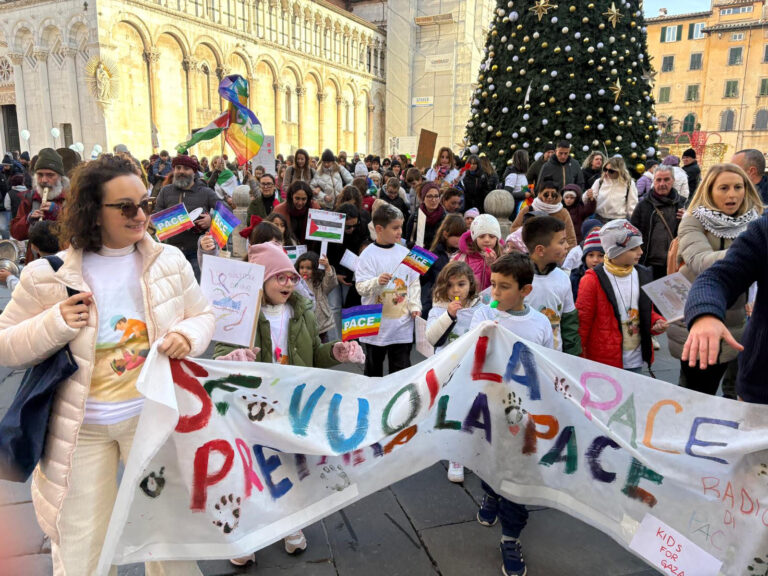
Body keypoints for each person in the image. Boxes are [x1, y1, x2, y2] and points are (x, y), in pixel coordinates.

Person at [0, 154, 214, 576]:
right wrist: (55, 323)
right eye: (127, 207)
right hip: (80, 431)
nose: (141, 216)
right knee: (83, 550)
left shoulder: (168, 261)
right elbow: (6, 346)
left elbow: (203, 315)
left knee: (168, 541)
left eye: (146, 204)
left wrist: (187, 337)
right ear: (92, 211)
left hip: (153, 419)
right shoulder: (46, 275)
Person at [213, 242, 363, 566]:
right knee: (250, 471)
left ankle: (290, 527)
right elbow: (219, 355)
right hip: (252, 408)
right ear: (261, 280)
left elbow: (313, 358)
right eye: (279, 277)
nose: (288, 283)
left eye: (291, 277)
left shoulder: (302, 312)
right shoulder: (242, 312)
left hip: (292, 406)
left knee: (292, 469)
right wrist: (233, 357)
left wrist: (335, 352)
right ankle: (244, 535)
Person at [469, 252, 553, 576]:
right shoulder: (483, 315)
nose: (495, 293)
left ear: (525, 291)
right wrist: (483, 335)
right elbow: (468, 358)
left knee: (518, 476)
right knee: (490, 463)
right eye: (492, 285)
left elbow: (548, 367)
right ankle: (490, 493)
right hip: (489, 411)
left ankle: (510, 537)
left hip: (524, 417)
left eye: (504, 287)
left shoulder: (540, 323)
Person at [667, 163, 762, 395]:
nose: (732, 194)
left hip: (737, 321)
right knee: (695, 391)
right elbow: (700, 260)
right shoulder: (692, 221)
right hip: (697, 320)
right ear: (709, 191)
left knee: (735, 393)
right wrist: (754, 250)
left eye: (738, 187)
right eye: (724, 188)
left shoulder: (755, 223)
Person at [682, 215, 768, 403]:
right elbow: (716, 277)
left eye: (738, 187)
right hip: (761, 386)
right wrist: (705, 313)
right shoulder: (763, 230)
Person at [577, 219, 667, 372]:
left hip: (636, 359)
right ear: (615, 251)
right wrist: (579, 360)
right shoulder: (592, 280)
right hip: (604, 363)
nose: (641, 252)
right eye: (634, 248)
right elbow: (582, 323)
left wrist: (657, 321)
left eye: (640, 247)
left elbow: (645, 311)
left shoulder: (642, 274)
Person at [426, 261, 482, 483]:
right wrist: (448, 316)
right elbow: (432, 338)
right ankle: (455, 457)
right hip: (448, 370)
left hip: (473, 370)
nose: (456, 290)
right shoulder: (439, 309)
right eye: (451, 286)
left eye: (461, 284)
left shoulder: (480, 308)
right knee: (453, 411)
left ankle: (471, 450)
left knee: (472, 410)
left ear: (471, 284)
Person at [355, 204, 421, 377]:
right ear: (379, 229)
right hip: (375, 325)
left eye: (401, 226)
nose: (400, 231)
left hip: (401, 325)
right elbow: (360, 287)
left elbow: (414, 282)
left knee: (400, 372)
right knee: (373, 371)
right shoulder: (367, 256)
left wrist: (415, 306)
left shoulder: (406, 252)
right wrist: (377, 282)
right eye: (395, 228)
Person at [153, 154, 218, 281]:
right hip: (171, 252)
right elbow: (157, 215)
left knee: (198, 289)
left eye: (186, 168)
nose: (181, 171)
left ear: (194, 172)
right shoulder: (165, 191)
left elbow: (226, 211)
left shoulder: (206, 192)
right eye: (178, 168)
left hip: (197, 252)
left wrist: (211, 219)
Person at [522, 216, 581, 355]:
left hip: (554, 359)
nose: (567, 246)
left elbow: (569, 323)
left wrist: (573, 357)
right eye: (562, 242)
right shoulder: (517, 277)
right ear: (540, 250)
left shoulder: (563, 278)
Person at [11, 148, 68, 262]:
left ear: (60, 177)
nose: (44, 180)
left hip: (65, 261)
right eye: (40, 175)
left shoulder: (71, 197)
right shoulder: (29, 198)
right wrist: (28, 220)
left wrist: (59, 212)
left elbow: (81, 231)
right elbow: (16, 233)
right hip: (35, 261)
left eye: (50, 175)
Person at [630, 165, 686, 280]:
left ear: (673, 181)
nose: (662, 184)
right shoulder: (643, 205)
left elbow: (690, 233)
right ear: (653, 181)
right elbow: (632, 233)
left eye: (666, 179)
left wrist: (687, 219)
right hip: (647, 263)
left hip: (672, 263)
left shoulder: (682, 204)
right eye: (658, 180)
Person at [421, 214, 467, 317]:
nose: (460, 239)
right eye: (456, 235)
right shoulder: (433, 254)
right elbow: (420, 280)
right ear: (446, 234)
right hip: (435, 302)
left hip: (458, 301)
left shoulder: (465, 254)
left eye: (462, 235)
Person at [510, 181, 578, 250]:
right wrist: (529, 230)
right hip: (530, 251)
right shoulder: (528, 209)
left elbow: (571, 238)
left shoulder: (563, 212)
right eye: (546, 194)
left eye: (553, 194)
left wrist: (569, 256)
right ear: (540, 194)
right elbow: (513, 229)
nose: (550, 197)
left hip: (555, 253)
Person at [0, 220, 60, 292]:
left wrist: (9, 278)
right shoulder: (66, 261)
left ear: (34, 247)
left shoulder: (32, 269)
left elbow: (24, 292)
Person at [296, 251, 339, 342]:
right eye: (301, 267)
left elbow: (330, 282)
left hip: (321, 323)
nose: (304, 270)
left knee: (322, 345)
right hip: (304, 322)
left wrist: (327, 267)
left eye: (308, 268)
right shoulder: (296, 283)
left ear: (315, 269)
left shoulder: (319, 282)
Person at [453, 213, 502, 291]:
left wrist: (491, 266)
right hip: (467, 301)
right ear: (475, 239)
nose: (487, 240)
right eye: (481, 236)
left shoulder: (503, 258)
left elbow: (503, 284)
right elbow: (452, 284)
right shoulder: (462, 257)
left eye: (492, 236)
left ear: (497, 238)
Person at [587, 156, 638, 222]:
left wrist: (634, 223)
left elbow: (632, 207)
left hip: (618, 221)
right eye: (605, 169)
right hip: (599, 219)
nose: (607, 173)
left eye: (611, 171)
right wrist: (589, 195)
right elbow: (588, 200)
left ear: (619, 171)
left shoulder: (629, 183)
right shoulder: (600, 181)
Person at [272, 181, 321, 245]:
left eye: (304, 199)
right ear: (291, 196)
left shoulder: (315, 208)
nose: (300, 203)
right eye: (297, 198)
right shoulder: (279, 210)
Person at [405, 181, 446, 249]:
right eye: (429, 196)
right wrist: (415, 245)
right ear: (423, 198)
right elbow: (408, 242)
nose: (433, 200)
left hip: (439, 256)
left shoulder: (445, 218)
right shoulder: (415, 217)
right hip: (420, 256)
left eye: (436, 196)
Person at [569, 228, 604, 302]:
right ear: (584, 257)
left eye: (601, 255)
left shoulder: (611, 276)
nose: (595, 260)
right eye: (591, 255)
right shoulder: (575, 277)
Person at [502, 150, 530, 216]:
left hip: (522, 205)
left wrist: (529, 191)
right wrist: (523, 195)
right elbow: (506, 194)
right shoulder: (513, 175)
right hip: (515, 208)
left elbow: (523, 189)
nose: (528, 160)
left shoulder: (522, 174)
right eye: (527, 158)